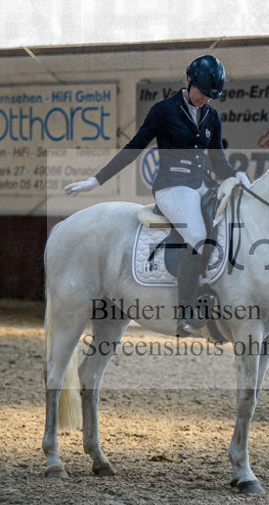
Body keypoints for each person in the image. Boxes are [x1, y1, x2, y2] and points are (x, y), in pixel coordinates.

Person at [64, 54, 250, 336]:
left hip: (201, 185)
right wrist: (96, 179)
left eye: (212, 96)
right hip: (173, 186)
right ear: (189, 81)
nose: (206, 100)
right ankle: (186, 313)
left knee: (228, 227)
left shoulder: (211, 115)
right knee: (199, 238)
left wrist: (236, 174)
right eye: (203, 93)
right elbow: (134, 146)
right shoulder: (164, 110)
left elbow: (218, 163)